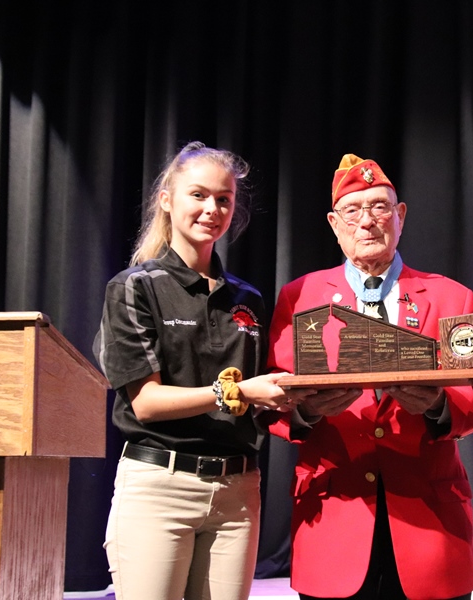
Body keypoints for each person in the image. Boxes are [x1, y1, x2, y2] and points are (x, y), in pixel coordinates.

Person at [263, 154, 473, 600]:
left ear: (400, 216)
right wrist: (306, 412)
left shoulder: (451, 296)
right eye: (353, 211)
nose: (367, 221)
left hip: (430, 525)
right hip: (334, 519)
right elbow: (274, 392)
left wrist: (438, 405)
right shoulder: (300, 297)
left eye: (379, 207)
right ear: (334, 223)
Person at [93, 141, 296, 600]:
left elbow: (262, 404)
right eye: (199, 195)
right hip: (158, 488)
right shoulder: (134, 288)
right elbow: (145, 404)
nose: (212, 209)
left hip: (238, 491)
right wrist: (240, 392)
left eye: (223, 199)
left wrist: (304, 398)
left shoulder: (250, 300)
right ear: (168, 199)